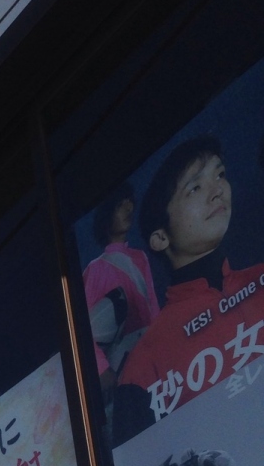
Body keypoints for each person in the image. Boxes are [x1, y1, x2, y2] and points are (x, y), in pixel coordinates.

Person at [114, 136, 264, 442]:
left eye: (220, 174)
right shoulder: (143, 366)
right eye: (195, 188)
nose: (217, 190)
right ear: (160, 238)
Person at [83, 183, 159, 386]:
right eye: (119, 205)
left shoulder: (140, 257)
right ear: (107, 216)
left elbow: (153, 308)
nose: (128, 208)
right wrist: (103, 370)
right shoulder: (95, 269)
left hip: (153, 351)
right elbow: (83, 330)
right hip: (124, 362)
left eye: (129, 203)